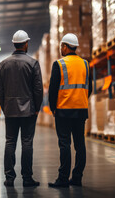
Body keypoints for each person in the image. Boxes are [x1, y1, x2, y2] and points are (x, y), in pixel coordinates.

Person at [0, 30, 43, 187]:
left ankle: (9, 178)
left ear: (14, 44)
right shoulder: (33, 63)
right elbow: (38, 89)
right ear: (26, 44)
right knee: (27, 143)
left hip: (10, 110)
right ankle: (27, 178)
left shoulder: (3, 64)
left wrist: (5, 107)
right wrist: (37, 108)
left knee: (10, 142)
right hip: (29, 110)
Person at [48, 33, 92, 188]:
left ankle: (63, 179)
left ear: (65, 46)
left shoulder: (59, 64)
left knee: (64, 144)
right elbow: (89, 88)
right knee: (80, 144)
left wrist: (53, 108)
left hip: (64, 111)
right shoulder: (85, 64)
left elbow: (52, 90)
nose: (61, 48)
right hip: (81, 111)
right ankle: (77, 177)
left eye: (61, 46)